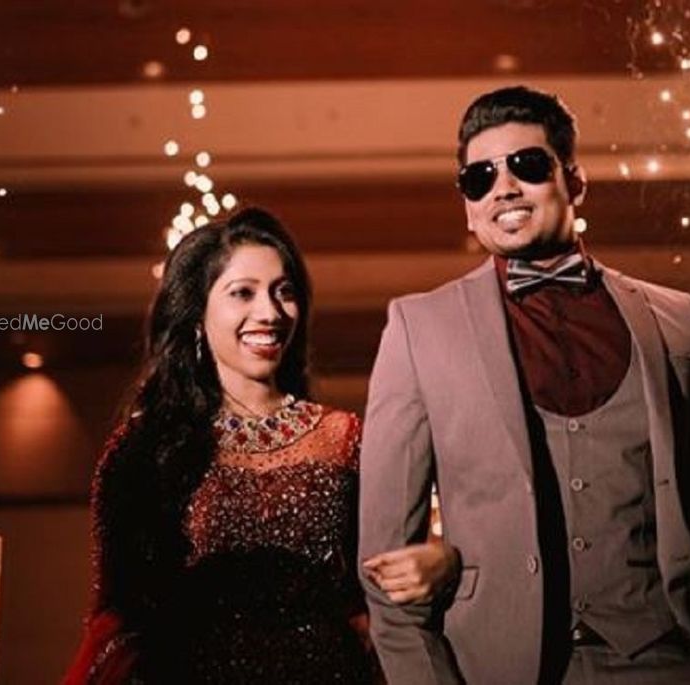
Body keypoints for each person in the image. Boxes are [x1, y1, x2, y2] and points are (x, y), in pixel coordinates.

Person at [358, 86, 690, 685]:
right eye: (479, 178)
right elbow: (385, 568)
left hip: (669, 658)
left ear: (574, 181)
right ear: (468, 207)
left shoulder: (675, 320)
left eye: (527, 165)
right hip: (501, 670)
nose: (503, 188)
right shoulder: (419, 329)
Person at [63, 207, 459, 684]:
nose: (270, 312)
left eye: (283, 291)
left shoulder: (345, 438)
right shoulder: (148, 447)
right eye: (243, 293)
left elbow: (391, 567)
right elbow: (120, 615)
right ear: (196, 312)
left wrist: (444, 560)